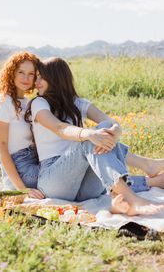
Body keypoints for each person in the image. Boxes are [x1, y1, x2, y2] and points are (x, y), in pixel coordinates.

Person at [27, 57, 164, 215]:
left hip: (85, 188)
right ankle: (132, 197)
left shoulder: (76, 102)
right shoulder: (39, 103)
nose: (36, 82)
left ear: (56, 78)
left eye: (41, 77)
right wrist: (89, 133)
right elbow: (59, 128)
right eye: (36, 77)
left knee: (103, 128)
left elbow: (110, 122)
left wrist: (115, 131)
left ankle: (146, 167)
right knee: (89, 139)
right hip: (54, 180)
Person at [0, 51, 44, 199]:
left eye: (31, 74)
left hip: (35, 159)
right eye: (21, 72)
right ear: (11, 73)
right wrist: (22, 189)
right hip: (19, 167)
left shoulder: (29, 102)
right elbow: (1, 147)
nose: (26, 78)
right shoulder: (4, 101)